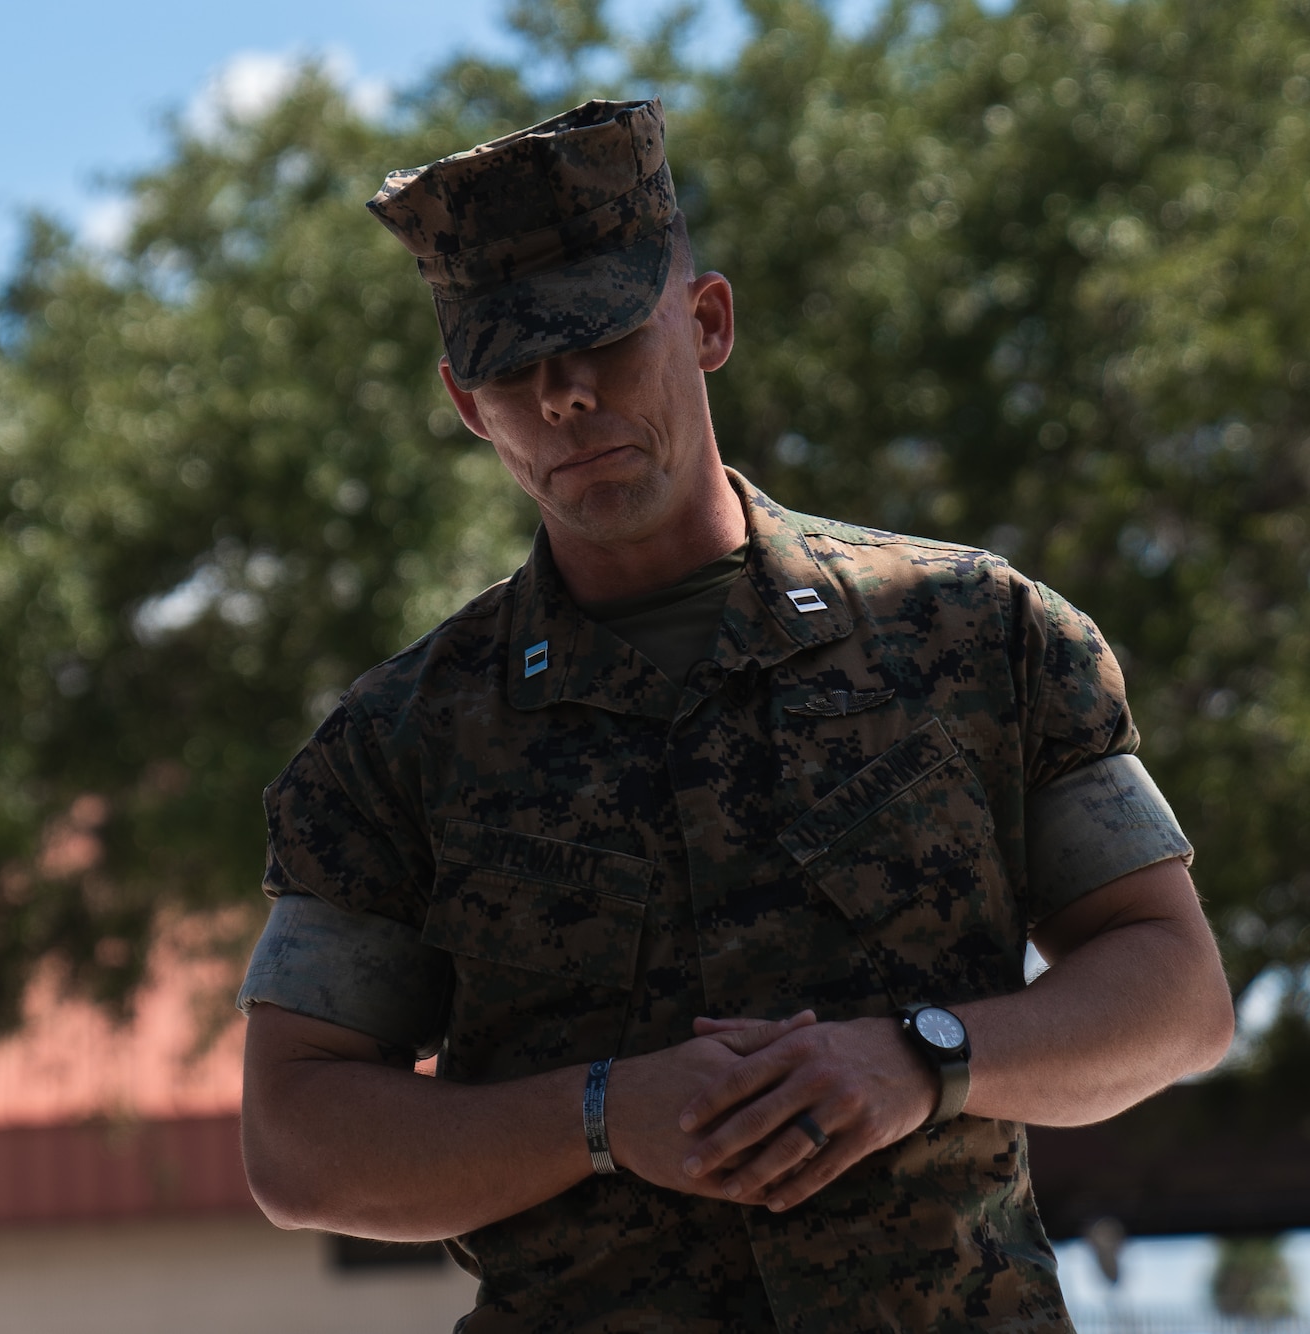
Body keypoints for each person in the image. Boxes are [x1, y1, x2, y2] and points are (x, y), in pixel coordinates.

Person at [234, 99, 1236, 1332]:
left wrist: (921, 1059)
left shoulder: (976, 633)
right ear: (461, 401)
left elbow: (1174, 991)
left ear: (704, 322)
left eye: (600, 338)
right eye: (510, 364)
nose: (562, 397)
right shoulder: (391, 751)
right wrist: (599, 1116)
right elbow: (296, 1136)